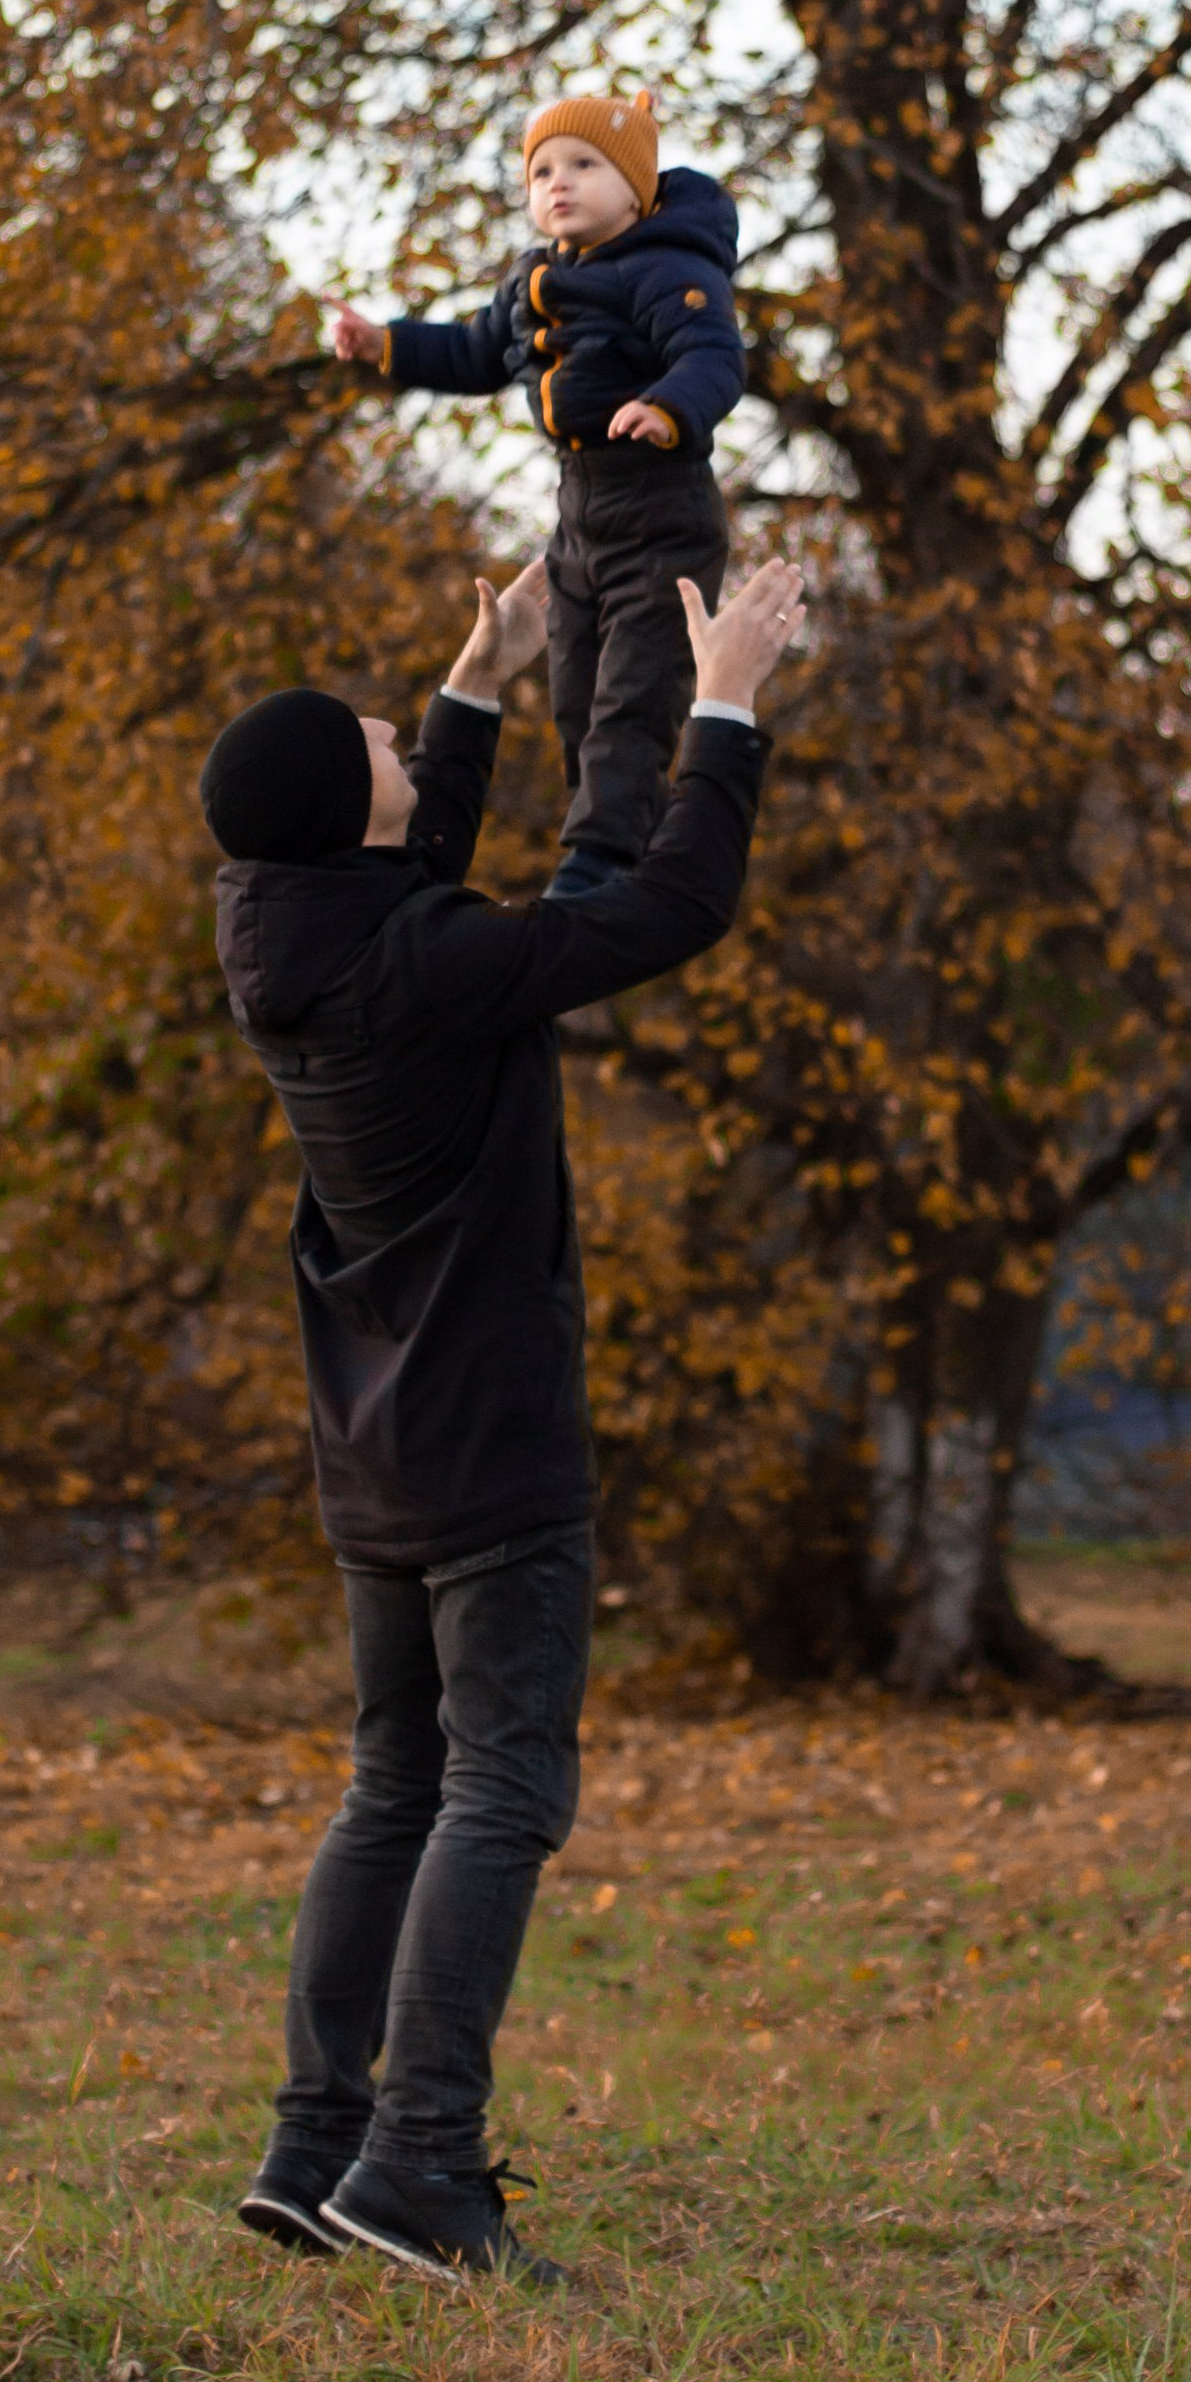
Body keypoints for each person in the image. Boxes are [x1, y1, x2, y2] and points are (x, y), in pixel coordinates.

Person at [198, 546, 805, 2277]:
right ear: (348, 813)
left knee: (396, 1783)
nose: (394, 727)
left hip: (376, 1450)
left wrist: (485, 676)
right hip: (488, 1447)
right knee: (501, 1789)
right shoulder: (430, 963)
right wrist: (728, 705)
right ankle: (419, 2167)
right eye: (376, 734)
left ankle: (316, 2147)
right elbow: (669, 911)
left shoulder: (293, 934)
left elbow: (414, 874)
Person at [326, 92, 745, 897]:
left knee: (634, 691)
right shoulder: (535, 280)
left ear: (636, 189)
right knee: (576, 693)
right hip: (580, 515)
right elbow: (476, 352)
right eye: (543, 171)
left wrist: (666, 408)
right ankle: (606, 839)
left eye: (585, 167)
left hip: (661, 507)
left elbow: (713, 356)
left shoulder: (670, 265)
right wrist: (387, 345)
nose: (560, 184)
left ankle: (604, 857)